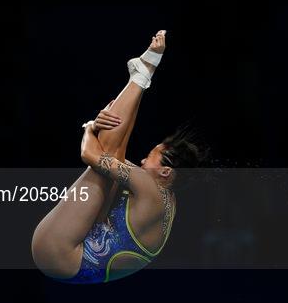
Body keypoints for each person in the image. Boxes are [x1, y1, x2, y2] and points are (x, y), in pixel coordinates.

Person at [31, 30, 207, 283]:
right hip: (71, 260)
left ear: (166, 171)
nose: (144, 161)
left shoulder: (149, 188)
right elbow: (117, 155)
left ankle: (142, 75)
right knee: (114, 157)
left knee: (106, 158)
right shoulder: (167, 198)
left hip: (58, 253)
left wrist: (89, 127)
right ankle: (142, 75)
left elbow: (89, 154)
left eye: (151, 157)